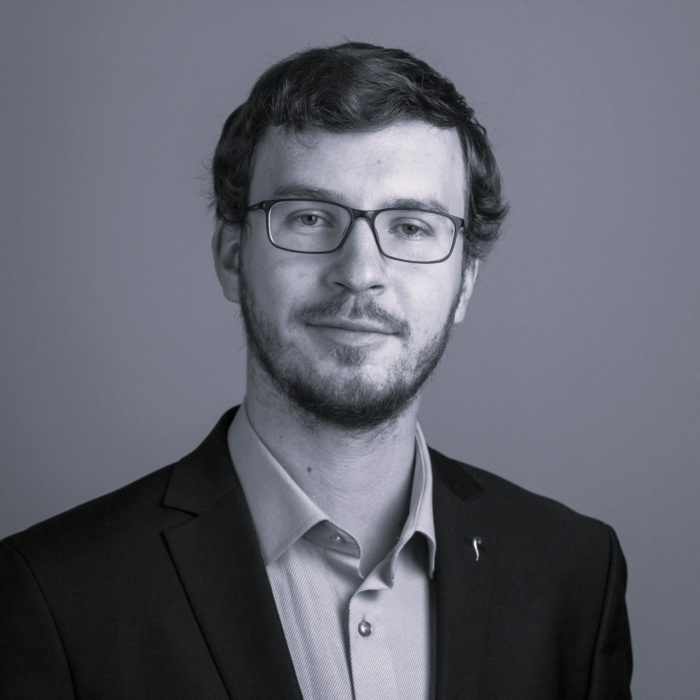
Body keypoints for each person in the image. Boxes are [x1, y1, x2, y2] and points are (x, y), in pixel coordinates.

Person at [0, 43, 632, 699]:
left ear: (465, 282)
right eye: (308, 218)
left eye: (412, 227)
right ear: (232, 257)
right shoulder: (53, 596)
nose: (360, 272)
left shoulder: (575, 577)